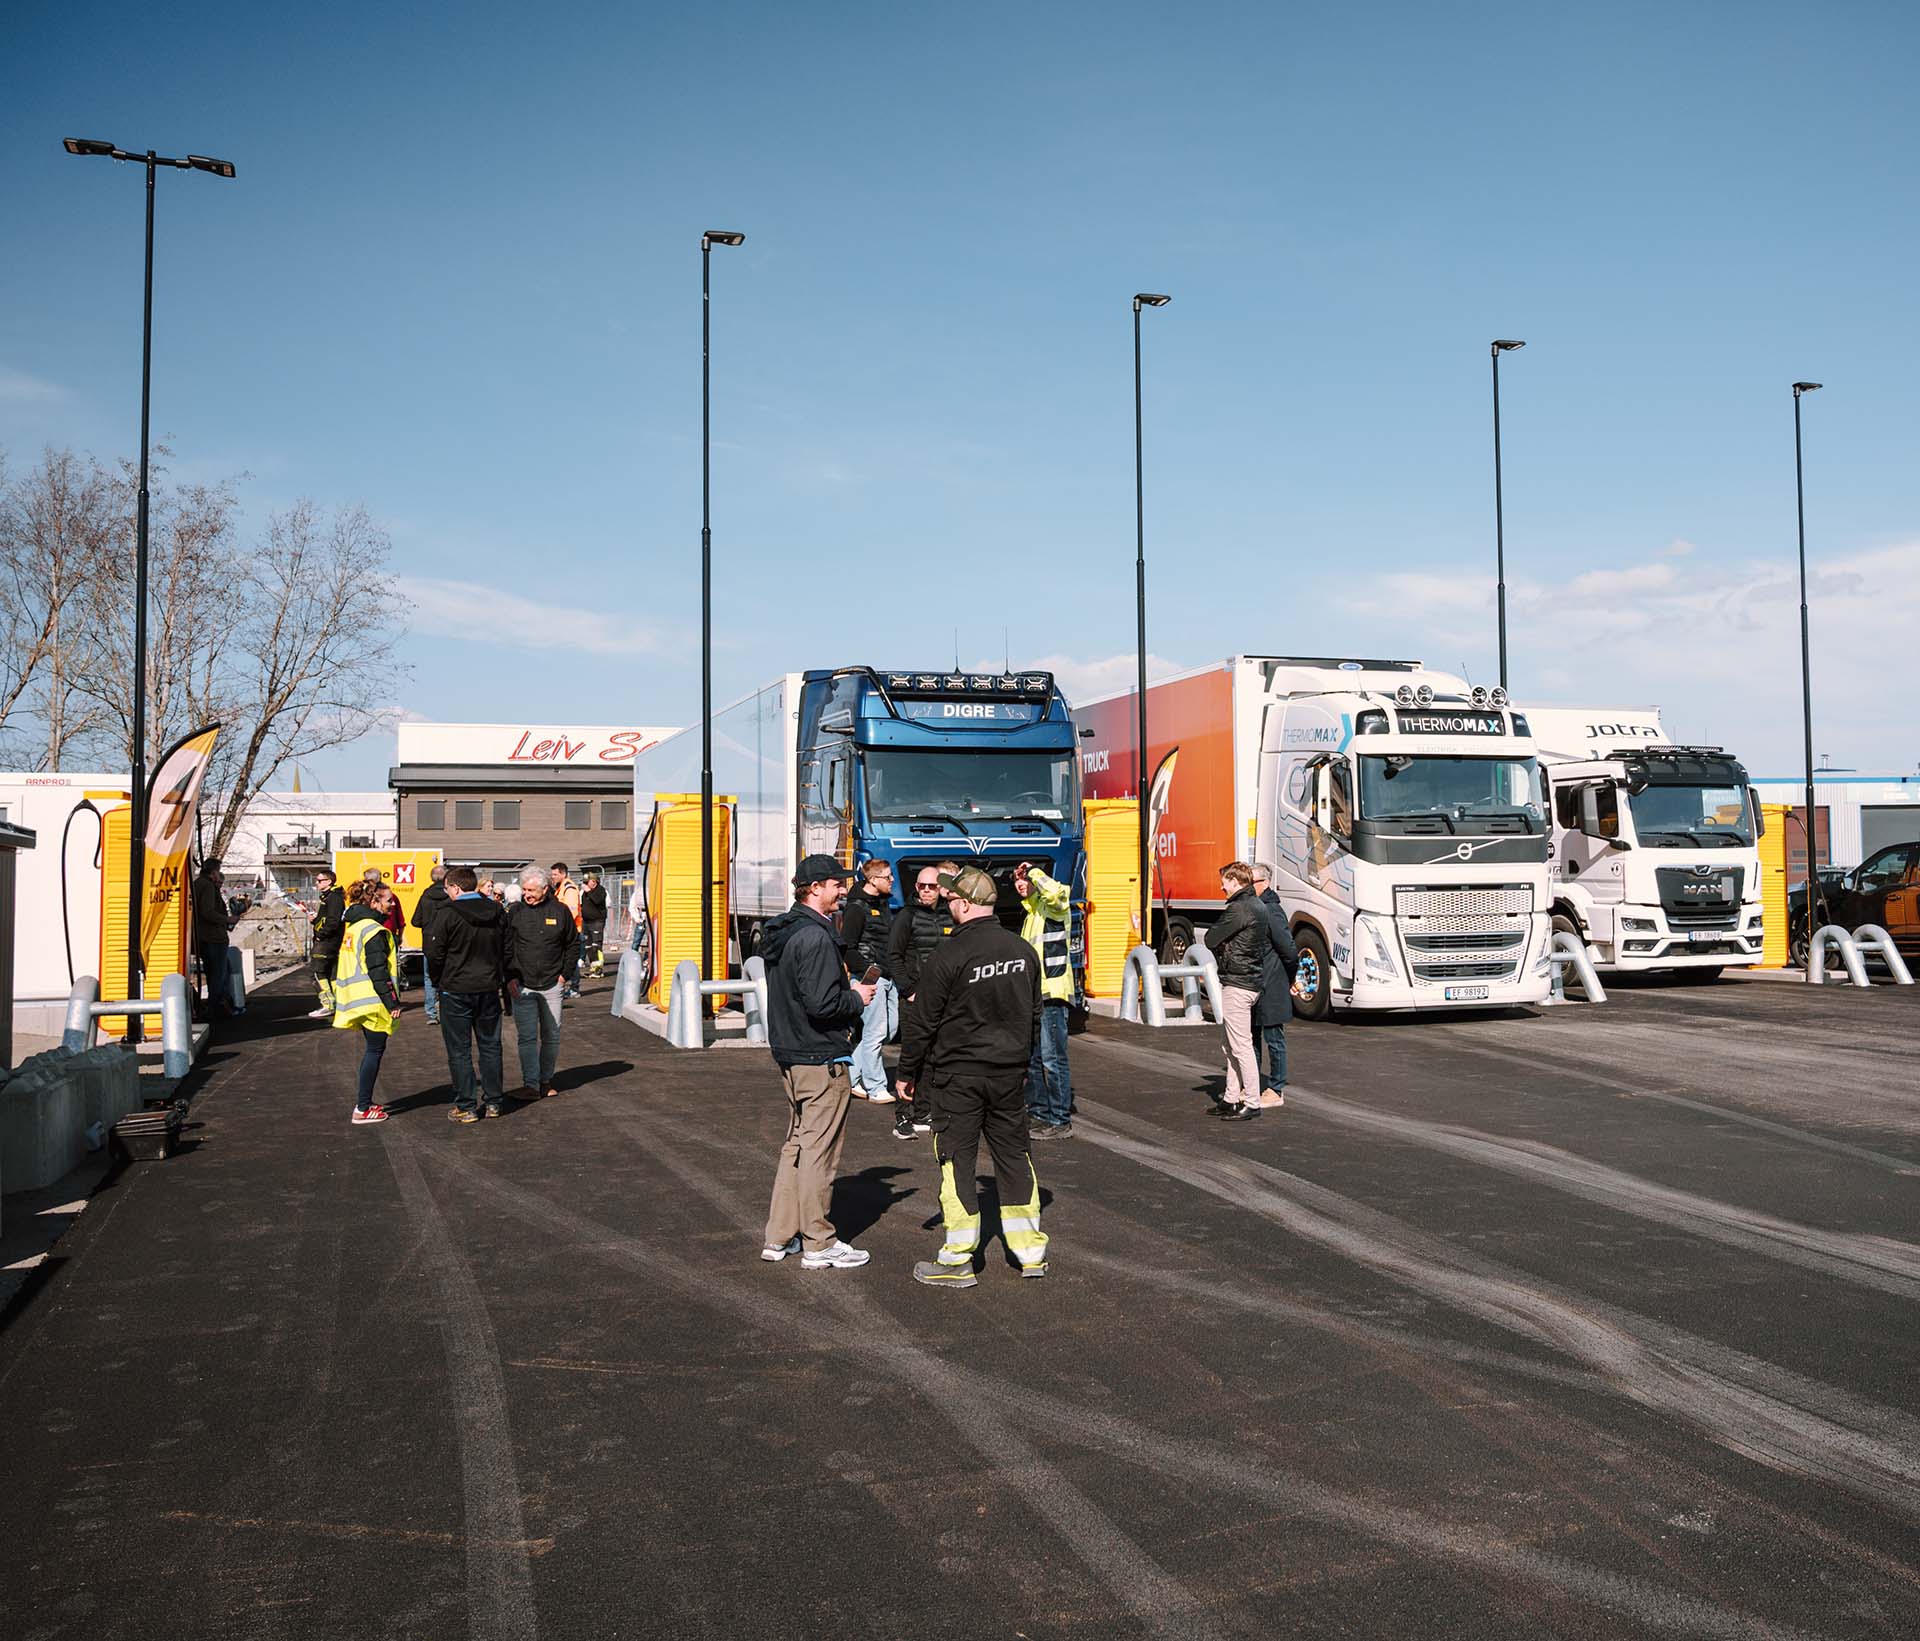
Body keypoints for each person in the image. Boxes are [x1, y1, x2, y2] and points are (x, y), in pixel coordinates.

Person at [897, 865, 1048, 1289]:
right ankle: (1030, 1254)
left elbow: (923, 1023)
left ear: (964, 905)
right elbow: (1034, 1016)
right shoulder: (1023, 952)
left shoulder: (949, 955)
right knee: (1014, 1156)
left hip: (958, 1078)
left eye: (951, 898)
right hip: (1008, 1075)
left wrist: (907, 1072)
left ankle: (958, 1258)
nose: (947, 903)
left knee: (956, 1161)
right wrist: (1023, 1064)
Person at [759, 855, 877, 1270]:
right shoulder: (815, 936)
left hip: (792, 1054)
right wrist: (856, 997)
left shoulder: (785, 930)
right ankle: (819, 1242)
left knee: (797, 1146)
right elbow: (823, 1004)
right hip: (820, 1056)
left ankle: (779, 1236)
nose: (843, 890)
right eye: (836, 884)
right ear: (814, 888)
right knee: (818, 1153)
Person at [426, 864, 510, 1123]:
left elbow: (434, 952)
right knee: (490, 1046)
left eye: (447, 889)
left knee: (459, 1050)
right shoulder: (496, 910)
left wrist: (439, 980)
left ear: (455, 888)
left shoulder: (447, 913)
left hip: (456, 988)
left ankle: (467, 1105)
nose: (446, 893)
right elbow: (507, 947)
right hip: (488, 986)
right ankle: (494, 1102)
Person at [885, 862, 957, 1141]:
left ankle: (923, 1112)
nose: (926, 890)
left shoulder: (949, 914)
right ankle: (902, 1116)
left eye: (932, 886)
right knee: (911, 1056)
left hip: (942, 999)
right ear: (916, 887)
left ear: (940, 888)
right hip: (915, 999)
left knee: (933, 1057)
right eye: (922, 886)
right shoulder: (907, 916)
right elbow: (893, 956)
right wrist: (908, 989)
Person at [1205, 861, 1272, 1121]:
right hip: (1250, 980)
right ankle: (1230, 1098)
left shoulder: (1239, 908)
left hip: (1238, 982)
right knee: (1231, 1044)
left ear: (1235, 882)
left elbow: (1211, 938)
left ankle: (1251, 1102)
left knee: (1240, 1046)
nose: (1221, 887)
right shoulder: (1257, 904)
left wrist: (1223, 947)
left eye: (1224, 882)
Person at [504, 866, 578, 1099]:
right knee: (526, 1038)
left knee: (551, 1036)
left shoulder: (560, 911)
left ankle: (545, 1081)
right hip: (522, 985)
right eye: (524, 890)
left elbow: (573, 944)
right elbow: (506, 947)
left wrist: (564, 975)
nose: (527, 894)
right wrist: (510, 977)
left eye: (532, 890)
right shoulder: (515, 912)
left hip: (552, 984)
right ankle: (531, 1084)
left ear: (545, 889)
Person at [1013, 858, 1075, 1138]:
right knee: (1035, 1059)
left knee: (1053, 1059)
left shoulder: (1054, 906)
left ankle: (1060, 1120)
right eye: (1017, 879)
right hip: (1034, 997)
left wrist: (1033, 871)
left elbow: (1056, 893)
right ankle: (1039, 1113)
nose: (1020, 883)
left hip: (1053, 994)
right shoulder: (1032, 914)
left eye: (1024, 879)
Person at [333, 879, 402, 1124]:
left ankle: (365, 1104)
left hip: (356, 998)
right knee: (374, 1050)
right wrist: (392, 1002)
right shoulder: (374, 931)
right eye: (388, 900)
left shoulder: (355, 927)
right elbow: (378, 971)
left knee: (373, 1049)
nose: (392, 904)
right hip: (373, 1000)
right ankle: (362, 1108)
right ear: (374, 901)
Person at [839, 859, 897, 1103]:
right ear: (873, 880)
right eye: (887, 876)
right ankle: (875, 1086)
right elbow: (847, 948)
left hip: (887, 976)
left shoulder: (882, 903)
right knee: (875, 1032)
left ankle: (851, 1076)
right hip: (870, 978)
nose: (892, 880)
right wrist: (869, 971)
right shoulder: (856, 908)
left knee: (889, 1029)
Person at [1251, 862, 1300, 1107]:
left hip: (1272, 981)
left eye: (1251, 883)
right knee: (1252, 1036)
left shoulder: (1271, 910)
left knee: (1273, 1037)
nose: (1247, 887)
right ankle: (1253, 1086)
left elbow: (1288, 949)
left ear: (1265, 883)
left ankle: (1276, 1089)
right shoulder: (1256, 907)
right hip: (1256, 981)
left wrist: (1290, 977)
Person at [192, 858, 240, 1015]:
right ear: (213, 873)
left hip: (204, 937)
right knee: (219, 974)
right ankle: (218, 1007)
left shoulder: (197, 884)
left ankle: (218, 1005)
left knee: (215, 972)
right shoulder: (207, 887)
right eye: (218, 872)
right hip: (213, 937)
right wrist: (227, 920)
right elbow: (207, 911)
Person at [411, 863, 452, 1025]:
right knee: (447, 975)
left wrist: (428, 923)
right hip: (447, 942)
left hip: (429, 942)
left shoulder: (426, 896)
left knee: (429, 978)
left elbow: (415, 921)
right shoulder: (450, 897)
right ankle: (445, 1009)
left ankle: (431, 1012)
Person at [307, 869, 347, 1019]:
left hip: (327, 942)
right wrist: (316, 920)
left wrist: (320, 935)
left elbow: (333, 922)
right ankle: (337, 1004)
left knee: (317, 973)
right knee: (331, 974)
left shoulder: (334, 898)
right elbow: (327, 919)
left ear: (329, 882)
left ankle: (328, 1004)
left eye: (319, 880)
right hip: (329, 941)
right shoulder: (330, 897)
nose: (316, 883)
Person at [552, 863, 584, 998]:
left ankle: (574, 988)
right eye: (552, 874)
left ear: (563, 874)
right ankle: (569, 987)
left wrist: (562, 926)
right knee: (566, 958)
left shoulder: (569, 888)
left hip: (571, 930)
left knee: (571, 959)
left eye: (555, 874)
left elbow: (572, 911)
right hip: (566, 929)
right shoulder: (561, 888)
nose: (553, 877)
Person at [579, 870, 609, 979]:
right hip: (586, 922)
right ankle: (593, 967)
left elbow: (597, 900)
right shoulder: (585, 893)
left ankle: (598, 969)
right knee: (588, 946)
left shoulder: (600, 890)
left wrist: (589, 891)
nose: (585, 884)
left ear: (594, 881)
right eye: (584, 882)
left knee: (596, 945)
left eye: (587, 882)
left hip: (597, 921)